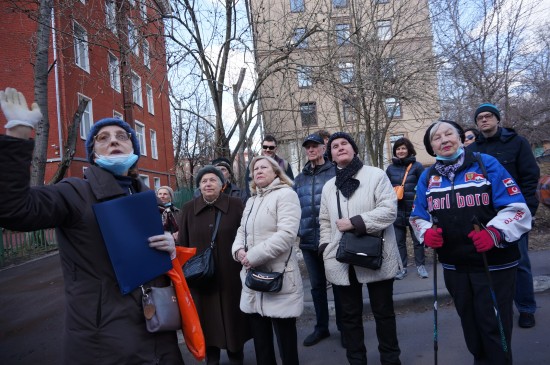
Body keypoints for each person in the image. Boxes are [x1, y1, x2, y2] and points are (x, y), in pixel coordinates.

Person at [0, 88, 184, 364]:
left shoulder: (144, 196)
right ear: (94, 154)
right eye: (103, 138)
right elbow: (13, 209)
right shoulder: (74, 193)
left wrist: (171, 249)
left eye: (122, 137)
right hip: (105, 341)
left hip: (158, 332)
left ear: (133, 149)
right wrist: (18, 135)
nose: (114, 141)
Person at [411, 120, 532, 365]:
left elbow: (517, 209)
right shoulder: (428, 176)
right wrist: (426, 233)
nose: (444, 140)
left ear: (461, 138)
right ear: (431, 147)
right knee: (470, 324)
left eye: (449, 134)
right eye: (436, 138)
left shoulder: (486, 164)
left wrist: (494, 233)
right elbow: (417, 216)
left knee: (493, 325)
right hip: (454, 265)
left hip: (494, 263)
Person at [319, 132, 402, 365]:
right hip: (342, 259)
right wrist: (325, 247)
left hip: (376, 254)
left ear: (354, 149)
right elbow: (324, 221)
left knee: (384, 314)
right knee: (349, 317)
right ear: (331, 156)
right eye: (335, 146)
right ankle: (356, 360)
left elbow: (389, 211)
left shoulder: (376, 175)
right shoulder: (328, 187)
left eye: (345, 143)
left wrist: (355, 222)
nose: (340, 147)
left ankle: (391, 359)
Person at [467, 103, 540, 328]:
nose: (484, 120)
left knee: (519, 264)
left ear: (497, 119)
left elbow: (529, 178)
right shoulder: (471, 150)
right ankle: (497, 310)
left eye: (488, 116)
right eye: (480, 118)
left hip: (512, 215)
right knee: (488, 265)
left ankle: (526, 308)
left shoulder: (517, 143)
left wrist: (527, 211)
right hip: (484, 219)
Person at [232, 155, 303, 365]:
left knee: (286, 344)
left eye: (264, 167)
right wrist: (238, 251)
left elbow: (287, 235)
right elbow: (241, 231)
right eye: (255, 169)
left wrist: (252, 256)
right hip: (253, 279)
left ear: (276, 172)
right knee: (261, 344)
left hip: (279, 276)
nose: (258, 171)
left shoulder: (286, 195)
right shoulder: (252, 200)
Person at [178, 165, 251, 365]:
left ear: (222, 185)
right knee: (206, 319)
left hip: (232, 275)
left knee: (234, 316)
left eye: (213, 180)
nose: (208, 184)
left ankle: (237, 356)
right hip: (200, 278)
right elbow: (182, 244)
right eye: (203, 181)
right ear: (199, 187)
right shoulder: (187, 209)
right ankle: (212, 359)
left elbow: (247, 236)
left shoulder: (236, 205)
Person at [293, 133, 342, 347]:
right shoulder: (299, 178)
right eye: (308, 147)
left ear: (324, 148)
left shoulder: (335, 172)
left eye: (315, 146)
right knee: (317, 287)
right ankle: (321, 327)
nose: (311, 150)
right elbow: (293, 208)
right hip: (308, 239)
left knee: (340, 284)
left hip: (332, 238)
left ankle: (345, 327)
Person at [385, 137, 427, 279]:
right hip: (396, 210)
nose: (401, 151)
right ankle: (402, 268)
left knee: (417, 240)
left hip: (414, 209)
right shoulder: (390, 169)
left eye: (403, 148)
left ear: (409, 150)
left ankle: (420, 266)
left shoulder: (417, 166)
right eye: (398, 149)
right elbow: (385, 188)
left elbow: (424, 186)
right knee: (399, 241)